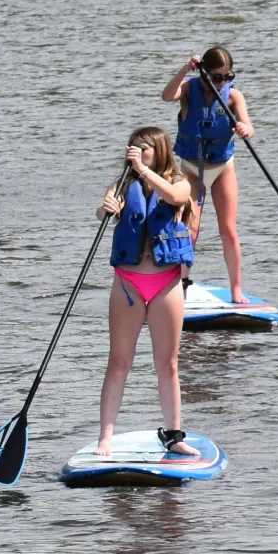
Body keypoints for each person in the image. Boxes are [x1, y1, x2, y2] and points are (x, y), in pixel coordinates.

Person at [95, 127, 201, 459]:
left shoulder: (179, 180)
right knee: (119, 362)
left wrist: (144, 171)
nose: (138, 153)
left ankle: (173, 435)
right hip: (128, 283)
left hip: (165, 283)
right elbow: (101, 212)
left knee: (167, 363)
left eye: (146, 148)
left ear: (160, 151)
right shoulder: (124, 183)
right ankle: (105, 438)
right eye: (134, 147)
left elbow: (176, 198)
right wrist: (106, 207)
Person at [162, 45, 256, 305]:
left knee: (229, 231)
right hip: (191, 169)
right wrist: (184, 69)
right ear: (203, 73)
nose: (223, 82)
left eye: (228, 77)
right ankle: (178, 287)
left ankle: (236, 290)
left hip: (222, 168)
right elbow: (166, 95)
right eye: (217, 77)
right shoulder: (188, 92)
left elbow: (249, 125)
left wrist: (244, 128)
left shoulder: (233, 97)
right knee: (190, 231)